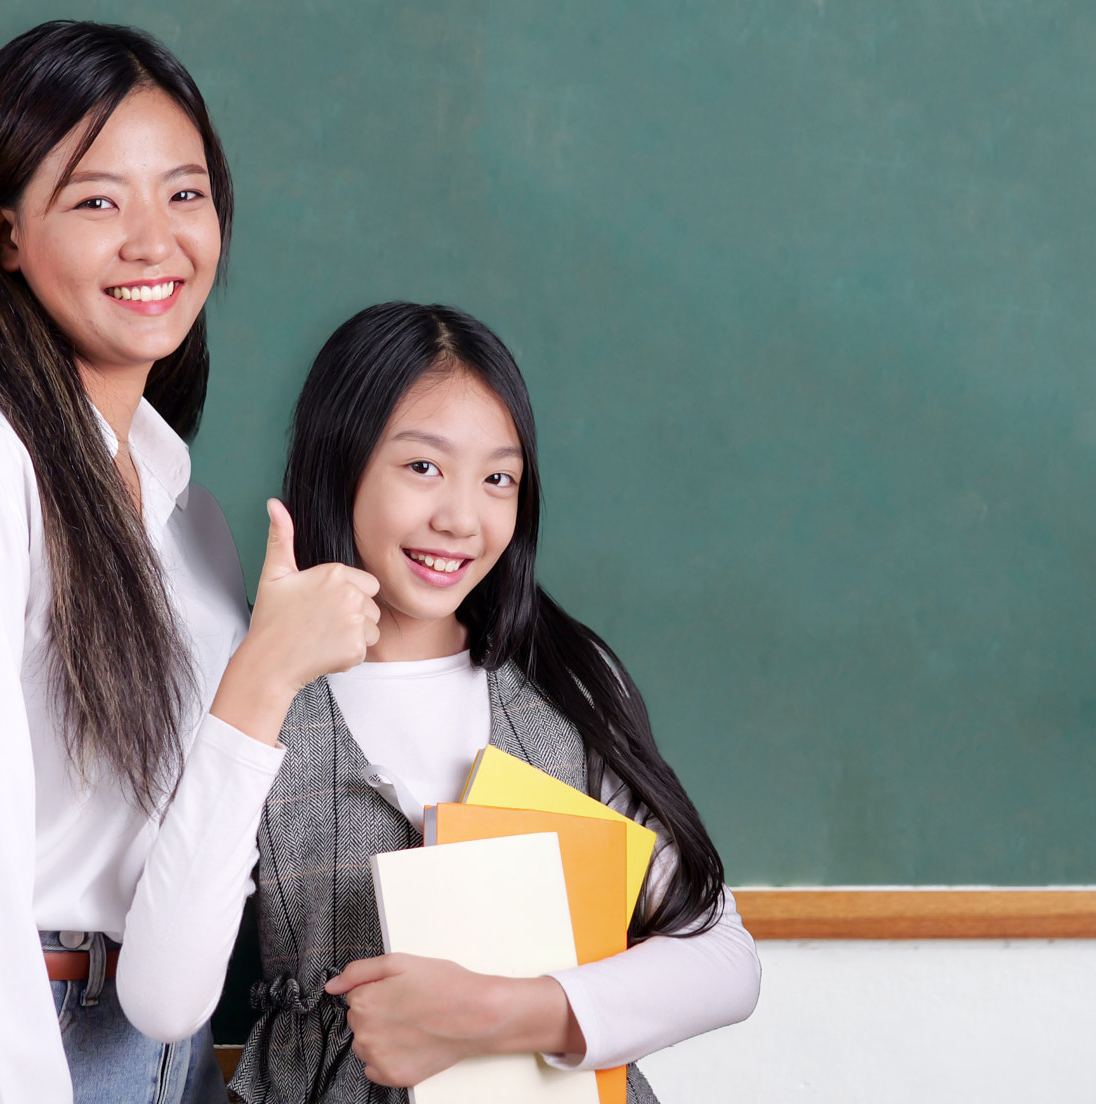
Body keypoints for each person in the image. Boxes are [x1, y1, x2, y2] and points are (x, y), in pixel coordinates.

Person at [0, 22, 380, 1104]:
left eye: (185, 195)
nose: (155, 241)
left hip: (154, 1058)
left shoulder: (185, 516)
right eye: (98, 201)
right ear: (0, 232)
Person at [222, 302, 761, 1102]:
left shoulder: (567, 685)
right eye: (423, 467)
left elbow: (723, 960)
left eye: (498, 478)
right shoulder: (254, 692)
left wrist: (498, 1011)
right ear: (341, 463)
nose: (461, 518)